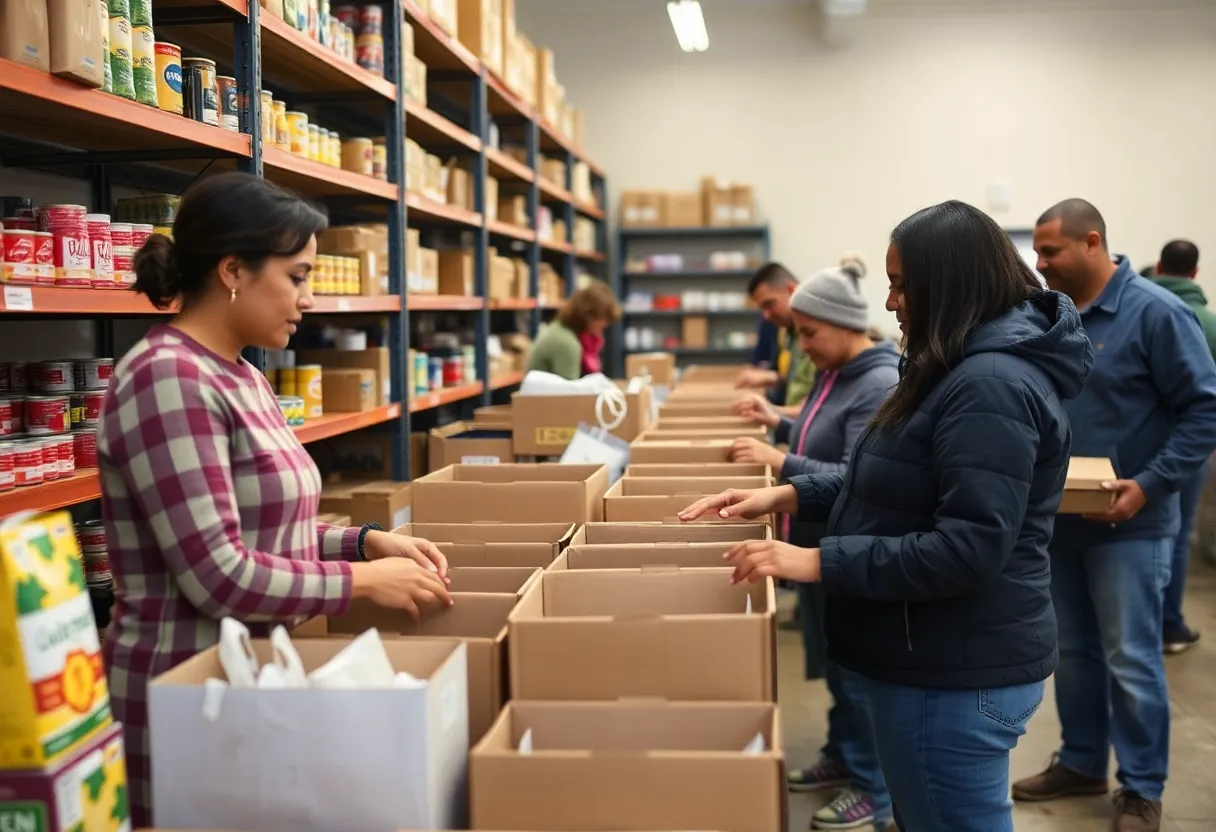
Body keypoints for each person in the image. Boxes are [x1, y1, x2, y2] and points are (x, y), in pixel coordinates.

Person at [681, 200, 1093, 832]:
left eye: (902, 284)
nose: (892, 302)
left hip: (955, 669)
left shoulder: (988, 383)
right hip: (935, 654)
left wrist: (819, 558)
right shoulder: (952, 364)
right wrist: (789, 495)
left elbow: (968, 548)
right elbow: (899, 484)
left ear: (947, 283)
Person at [99, 172, 454, 827]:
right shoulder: (167, 379)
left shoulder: (244, 375)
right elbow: (217, 574)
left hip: (245, 682)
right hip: (184, 693)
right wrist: (361, 582)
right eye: (296, 276)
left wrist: (363, 541)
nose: (308, 298)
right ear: (233, 270)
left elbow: (265, 522)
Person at [1013, 202, 1216, 831]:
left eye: (1050, 253)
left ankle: (1141, 786)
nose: (1040, 265)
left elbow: (1204, 410)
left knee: (1131, 656)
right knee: (1073, 652)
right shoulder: (1053, 317)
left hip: (1132, 522)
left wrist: (1149, 486)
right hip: (1062, 518)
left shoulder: (1157, 313)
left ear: (1093, 242)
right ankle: (1080, 761)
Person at [733, 253, 899, 830]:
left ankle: (874, 790)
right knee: (836, 666)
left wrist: (780, 463)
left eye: (810, 332)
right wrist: (780, 422)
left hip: (846, 549)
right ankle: (843, 756)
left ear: (846, 325)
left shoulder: (877, 382)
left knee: (857, 677)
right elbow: (817, 432)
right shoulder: (837, 374)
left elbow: (854, 477)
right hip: (819, 545)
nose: (799, 344)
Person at [1150, 240, 1214, 653]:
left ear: (1158, 267)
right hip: (1188, 451)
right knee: (1175, 536)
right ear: (1194, 272)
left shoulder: (1136, 309)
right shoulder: (1207, 321)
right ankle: (1168, 625)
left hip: (1134, 452)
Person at [734, 262, 815, 410]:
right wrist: (773, 378)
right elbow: (799, 382)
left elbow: (818, 408)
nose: (766, 315)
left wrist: (771, 412)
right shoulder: (788, 332)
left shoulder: (816, 334)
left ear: (791, 290)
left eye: (769, 304)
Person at [526, 281, 621, 379]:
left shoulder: (559, 329)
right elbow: (571, 393)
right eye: (602, 318)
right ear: (587, 315)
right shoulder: (566, 343)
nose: (605, 324)